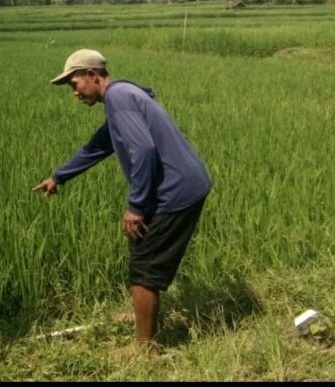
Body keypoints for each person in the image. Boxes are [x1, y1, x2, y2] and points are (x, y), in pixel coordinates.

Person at [34, 49, 211, 359]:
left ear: (92, 75)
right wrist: (59, 177)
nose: (73, 93)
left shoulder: (118, 98)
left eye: (74, 84)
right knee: (144, 258)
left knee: (143, 264)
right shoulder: (122, 97)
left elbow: (142, 150)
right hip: (185, 184)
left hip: (175, 190)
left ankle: (144, 349)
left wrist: (136, 206)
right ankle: (144, 319)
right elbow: (98, 146)